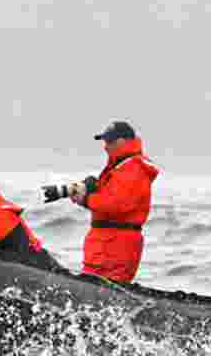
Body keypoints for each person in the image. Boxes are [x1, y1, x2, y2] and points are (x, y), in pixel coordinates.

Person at [69, 121, 160, 284]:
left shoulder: (132, 167)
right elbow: (113, 199)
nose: (105, 147)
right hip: (108, 243)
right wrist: (92, 189)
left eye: (109, 142)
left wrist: (87, 199)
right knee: (95, 290)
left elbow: (116, 204)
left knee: (105, 292)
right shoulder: (122, 167)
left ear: (121, 142)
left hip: (115, 244)